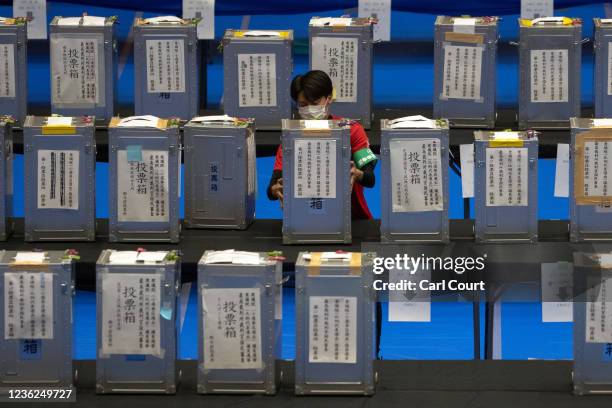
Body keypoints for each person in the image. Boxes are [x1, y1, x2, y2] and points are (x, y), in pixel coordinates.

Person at [267, 70, 378, 219]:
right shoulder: (290, 137)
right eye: (303, 105)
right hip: (304, 219)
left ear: (329, 98)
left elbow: (370, 179)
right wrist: (276, 189)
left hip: (352, 218)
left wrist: (357, 174)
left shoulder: (352, 130)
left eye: (314, 103)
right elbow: (272, 187)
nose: (309, 109)